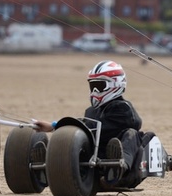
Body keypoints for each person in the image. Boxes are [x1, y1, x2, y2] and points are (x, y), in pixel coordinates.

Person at [34, 60, 147, 189]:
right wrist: (55, 126)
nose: (94, 90)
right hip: (92, 159)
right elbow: (83, 125)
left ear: (116, 84)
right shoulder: (91, 111)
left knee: (132, 134)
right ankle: (47, 167)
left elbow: (136, 123)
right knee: (75, 145)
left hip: (118, 159)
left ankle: (119, 167)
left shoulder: (124, 108)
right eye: (92, 86)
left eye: (99, 86)